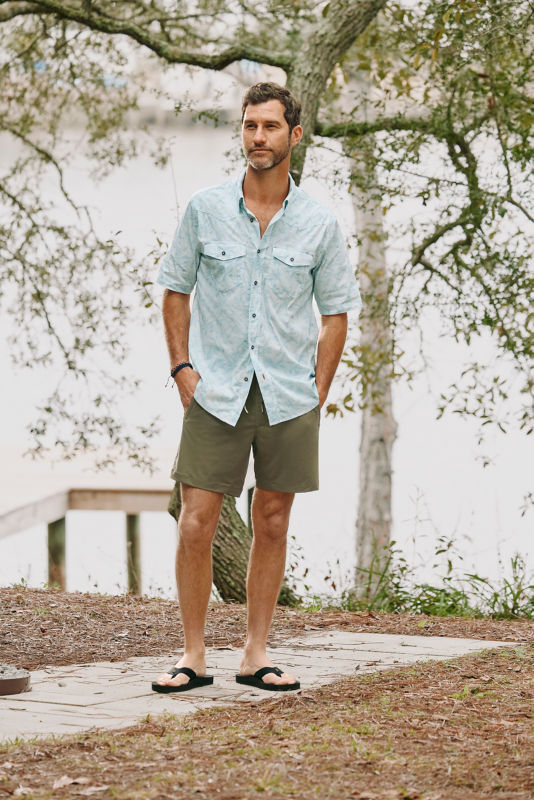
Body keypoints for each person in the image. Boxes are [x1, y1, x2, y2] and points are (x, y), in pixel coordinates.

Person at [152, 81, 362, 694]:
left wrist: (317, 390)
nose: (258, 138)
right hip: (214, 389)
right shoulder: (205, 208)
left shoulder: (319, 224)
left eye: (270, 127)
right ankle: (193, 656)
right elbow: (174, 290)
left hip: (289, 394)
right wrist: (182, 369)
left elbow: (337, 314)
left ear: (294, 136)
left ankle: (255, 653)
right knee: (196, 521)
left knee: (271, 520)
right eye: (249, 126)